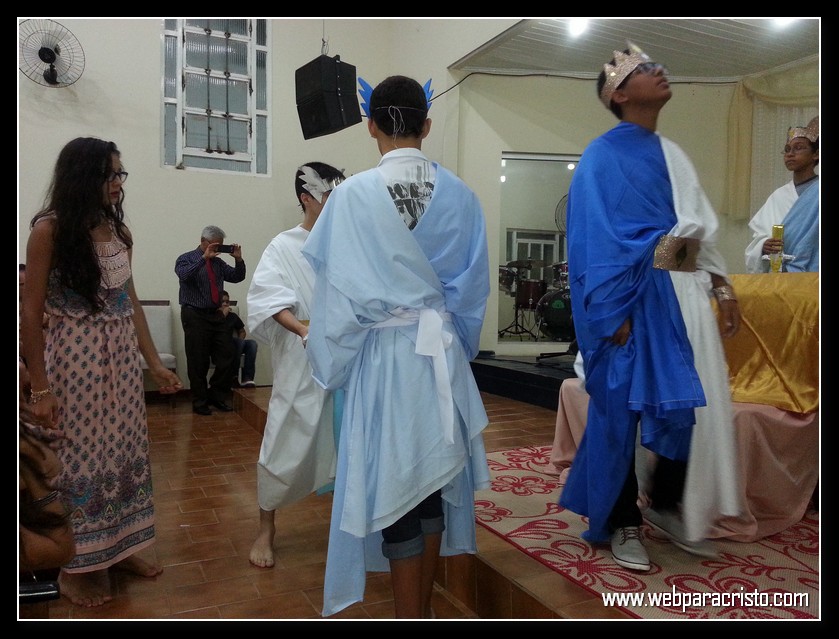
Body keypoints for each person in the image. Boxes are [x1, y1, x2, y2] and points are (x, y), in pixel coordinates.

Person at [301, 75, 491, 618]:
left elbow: (335, 300)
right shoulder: (463, 196)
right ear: (426, 125)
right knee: (431, 486)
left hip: (384, 360)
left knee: (398, 489)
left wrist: (331, 364)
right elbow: (471, 294)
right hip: (439, 357)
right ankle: (420, 609)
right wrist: (458, 349)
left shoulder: (350, 196)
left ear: (371, 126)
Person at [557, 44, 743, 573]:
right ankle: (622, 521)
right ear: (617, 94)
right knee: (621, 416)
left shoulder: (673, 153)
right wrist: (610, 314)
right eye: (641, 69)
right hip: (630, 305)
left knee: (689, 409)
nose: (659, 70)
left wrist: (722, 288)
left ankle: (666, 504)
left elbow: (697, 230)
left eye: (656, 64)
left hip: (683, 299)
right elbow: (594, 242)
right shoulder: (600, 157)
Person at [20, 137, 182, 607]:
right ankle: (74, 566)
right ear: (82, 177)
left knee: (121, 453)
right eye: (109, 174)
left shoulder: (118, 231)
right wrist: (40, 388)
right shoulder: (49, 230)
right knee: (78, 461)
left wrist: (154, 364)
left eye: (119, 173)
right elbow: (30, 312)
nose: (117, 182)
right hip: (74, 360)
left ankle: (117, 550)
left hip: (121, 364)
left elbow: (129, 301)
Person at [245, 162, 346, 569]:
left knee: (348, 442)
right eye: (328, 195)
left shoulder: (349, 241)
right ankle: (265, 528)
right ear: (306, 198)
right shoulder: (284, 246)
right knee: (282, 437)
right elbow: (268, 297)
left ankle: (351, 526)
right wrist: (303, 330)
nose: (336, 202)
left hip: (346, 358)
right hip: (300, 358)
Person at [174, 225, 246, 414]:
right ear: (203, 241)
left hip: (216, 314)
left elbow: (237, 277)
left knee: (226, 355)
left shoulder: (218, 263)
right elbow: (183, 275)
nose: (218, 249)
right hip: (194, 314)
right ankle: (200, 402)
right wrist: (203, 259)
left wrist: (238, 259)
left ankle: (217, 396)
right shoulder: (185, 258)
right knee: (198, 361)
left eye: (221, 245)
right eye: (215, 245)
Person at [744, 116, 819, 273]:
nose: (790, 154)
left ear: (816, 154)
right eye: (787, 149)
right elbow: (759, 238)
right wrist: (763, 246)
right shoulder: (778, 196)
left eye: (798, 148)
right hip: (783, 277)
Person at [219, 289, 258, 387]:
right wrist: (223, 315)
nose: (225, 304)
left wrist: (241, 340)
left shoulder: (233, 316)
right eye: (222, 302)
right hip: (219, 344)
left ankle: (247, 378)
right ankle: (233, 376)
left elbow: (242, 331)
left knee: (252, 344)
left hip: (233, 343)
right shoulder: (214, 316)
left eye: (227, 302)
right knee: (239, 343)